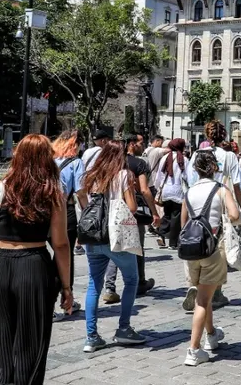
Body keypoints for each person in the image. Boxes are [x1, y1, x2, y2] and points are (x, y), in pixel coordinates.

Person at [0, 134, 71, 385]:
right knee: (31, 338)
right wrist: (67, 286)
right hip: (34, 264)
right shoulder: (52, 193)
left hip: (1, 264)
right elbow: (60, 243)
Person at [75, 140, 144, 351]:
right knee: (131, 280)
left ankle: (91, 336)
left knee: (94, 284)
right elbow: (131, 207)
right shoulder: (123, 175)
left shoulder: (91, 176)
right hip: (117, 237)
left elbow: (80, 196)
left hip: (94, 237)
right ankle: (123, 328)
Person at [181, 151, 241, 367]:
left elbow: (183, 224)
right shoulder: (220, 190)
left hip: (191, 251)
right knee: (203, 301)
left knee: (203, 296)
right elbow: (235, 216)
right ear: (214, 168)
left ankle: (212, 335)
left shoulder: (188, 192)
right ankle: (193, 350)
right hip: (212, 249)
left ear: (195, 169)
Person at [180, 121, 241, 313]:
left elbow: (189, 181)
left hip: (197, 203)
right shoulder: (229, 156)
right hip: (220, 201)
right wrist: (240, 208)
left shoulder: (197, 155)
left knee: (198, 240)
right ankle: (215, 291)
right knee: (219, 247)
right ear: (223, 135)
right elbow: (237, 184)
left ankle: (196, 284)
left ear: (207, 136)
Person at [104, 134, 161, 304]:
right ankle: (139, 282)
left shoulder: (109, 165)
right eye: (140, 143)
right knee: (136, 247)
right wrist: (154, 212)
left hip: (111, 212)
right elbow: (144, 190)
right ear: (131, 145)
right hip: (130, 212)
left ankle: (109, 287)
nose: (142, 146)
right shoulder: (138, 164)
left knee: (115, 247)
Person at [52, 131, 84, 320]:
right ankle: (66, 299)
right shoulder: (76, 162)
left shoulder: (50, 159)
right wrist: (88, 210)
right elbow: (80, 191)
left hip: (45, 211)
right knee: (65, 256)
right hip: (66, 210)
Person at [153, 139, 188, 251]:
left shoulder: (164, 158)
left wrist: (158, 188)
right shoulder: (184, 159)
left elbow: (159, 175)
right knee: (176, 217)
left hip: (166, 190)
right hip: (178, 191)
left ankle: (161, 233)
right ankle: (173, 243)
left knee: (167, 214)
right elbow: (187, 176)